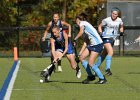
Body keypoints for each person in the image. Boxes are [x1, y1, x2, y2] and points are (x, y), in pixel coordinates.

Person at [74, 14, 106, 84]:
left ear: (78, 19)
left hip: (97, 45)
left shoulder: (82, 23)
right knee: (81, 58)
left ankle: (102, 78)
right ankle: (91, 76)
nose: (75, 21)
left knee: (91, 63)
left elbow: (81, 32)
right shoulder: (86, 28)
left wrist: (74, 39)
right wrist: (79, 55)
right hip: (91, 45)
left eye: (75, 20)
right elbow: (86, 43)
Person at [95, 7, 124, 76]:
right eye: (113, 13)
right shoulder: (106, 20)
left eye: (115, 14)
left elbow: (121, 26)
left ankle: (95, 67)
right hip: (106, 38)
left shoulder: (119, 20)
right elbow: (99, 26)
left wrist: (121, 32)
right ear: (111, 13)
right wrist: (101, 32)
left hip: (112, 39)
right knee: (110, 52)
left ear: (118, 15)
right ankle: (107, 69)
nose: (114, 15)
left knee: (104, 54)